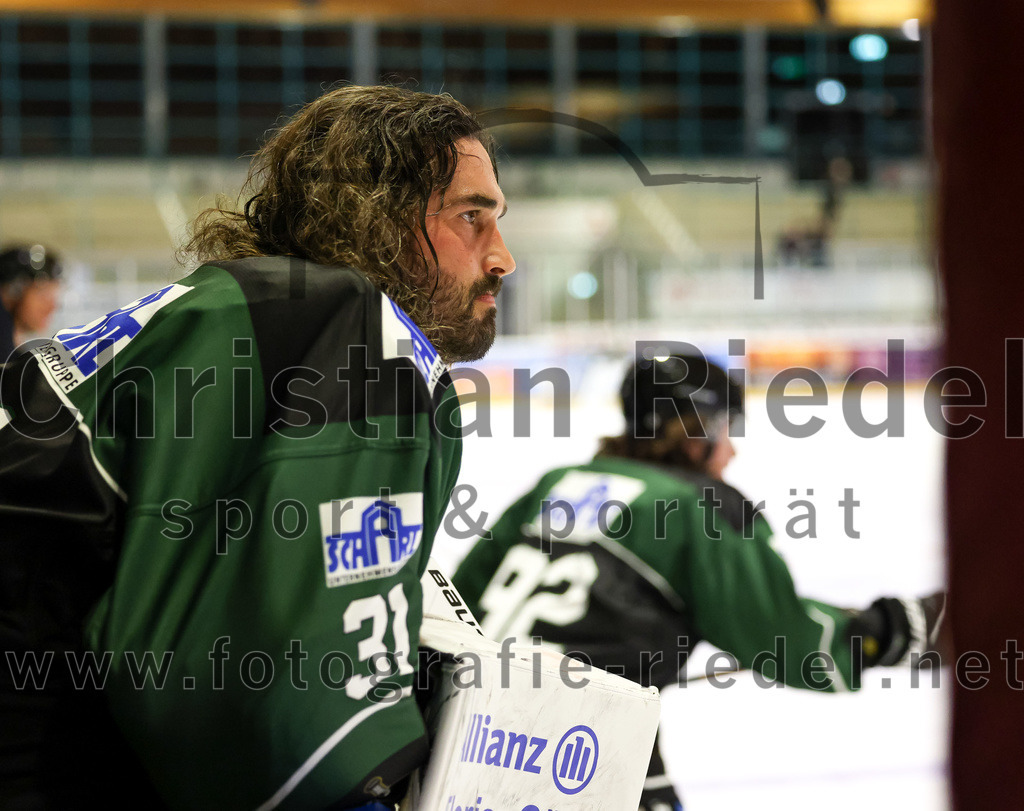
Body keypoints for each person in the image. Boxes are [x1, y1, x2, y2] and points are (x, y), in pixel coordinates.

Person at [0, 85, 514, 810]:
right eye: (472, 216)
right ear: (379, 215)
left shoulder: (239, 308)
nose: (503, 258)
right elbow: (265, 720)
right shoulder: (351, 326)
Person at [453, 350, 945, 811]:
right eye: (725, 429)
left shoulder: (559, 481)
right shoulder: (698, 505)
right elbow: (788, 640)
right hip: (576, 750)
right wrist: (890, 632)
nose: (731, 451)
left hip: (464, 732)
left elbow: (456, 602)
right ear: (694, 432)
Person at [0, 243, 63, 361]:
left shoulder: (14, 353)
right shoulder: (5, 352)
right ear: (13, 290)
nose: (52, 306)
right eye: (43, 295)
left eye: (53, 297)